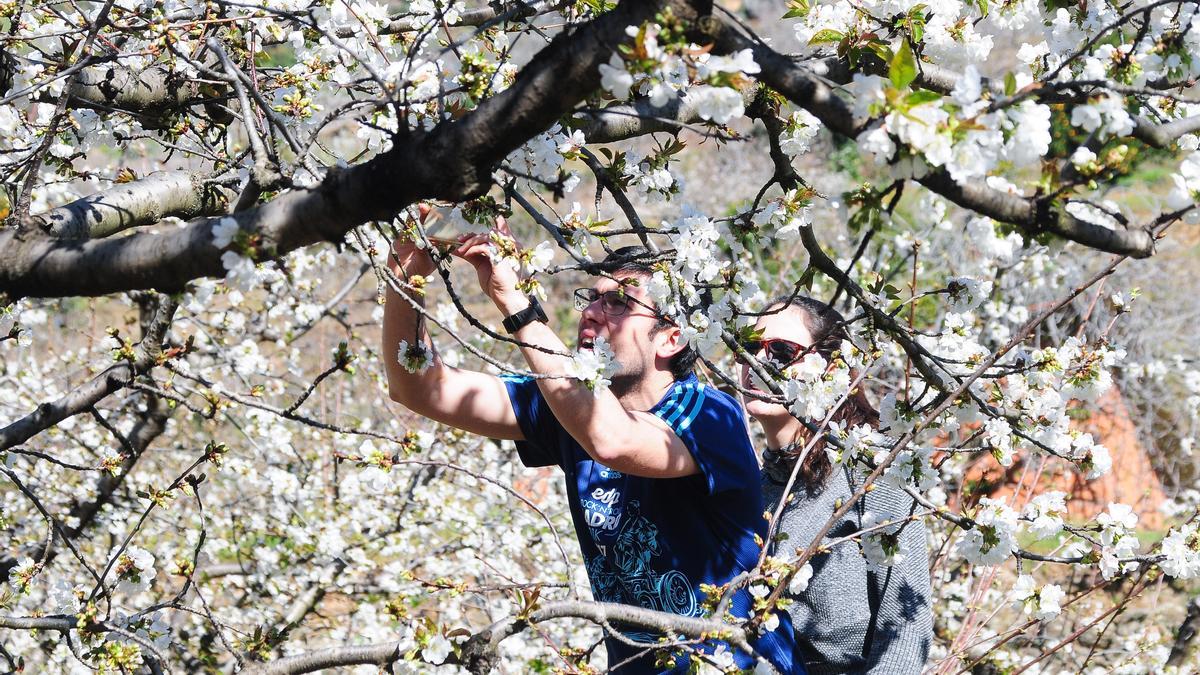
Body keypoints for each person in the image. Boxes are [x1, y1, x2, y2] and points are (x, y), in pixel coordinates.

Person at [382, 214, 799, 674]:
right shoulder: (567, 407)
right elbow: (420, 387)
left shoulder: (710, 414)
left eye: (619, 302)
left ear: (671, 338)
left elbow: (613, 441)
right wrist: (408, 259)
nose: (592, 311)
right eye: (592, 298)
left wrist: (516, 303)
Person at [738, 295, 933, 674]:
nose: (757, 363)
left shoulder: (871, 470)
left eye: (781, 350)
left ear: (828, 370)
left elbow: (907, 632)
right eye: (748, 345)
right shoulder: (756, 488)